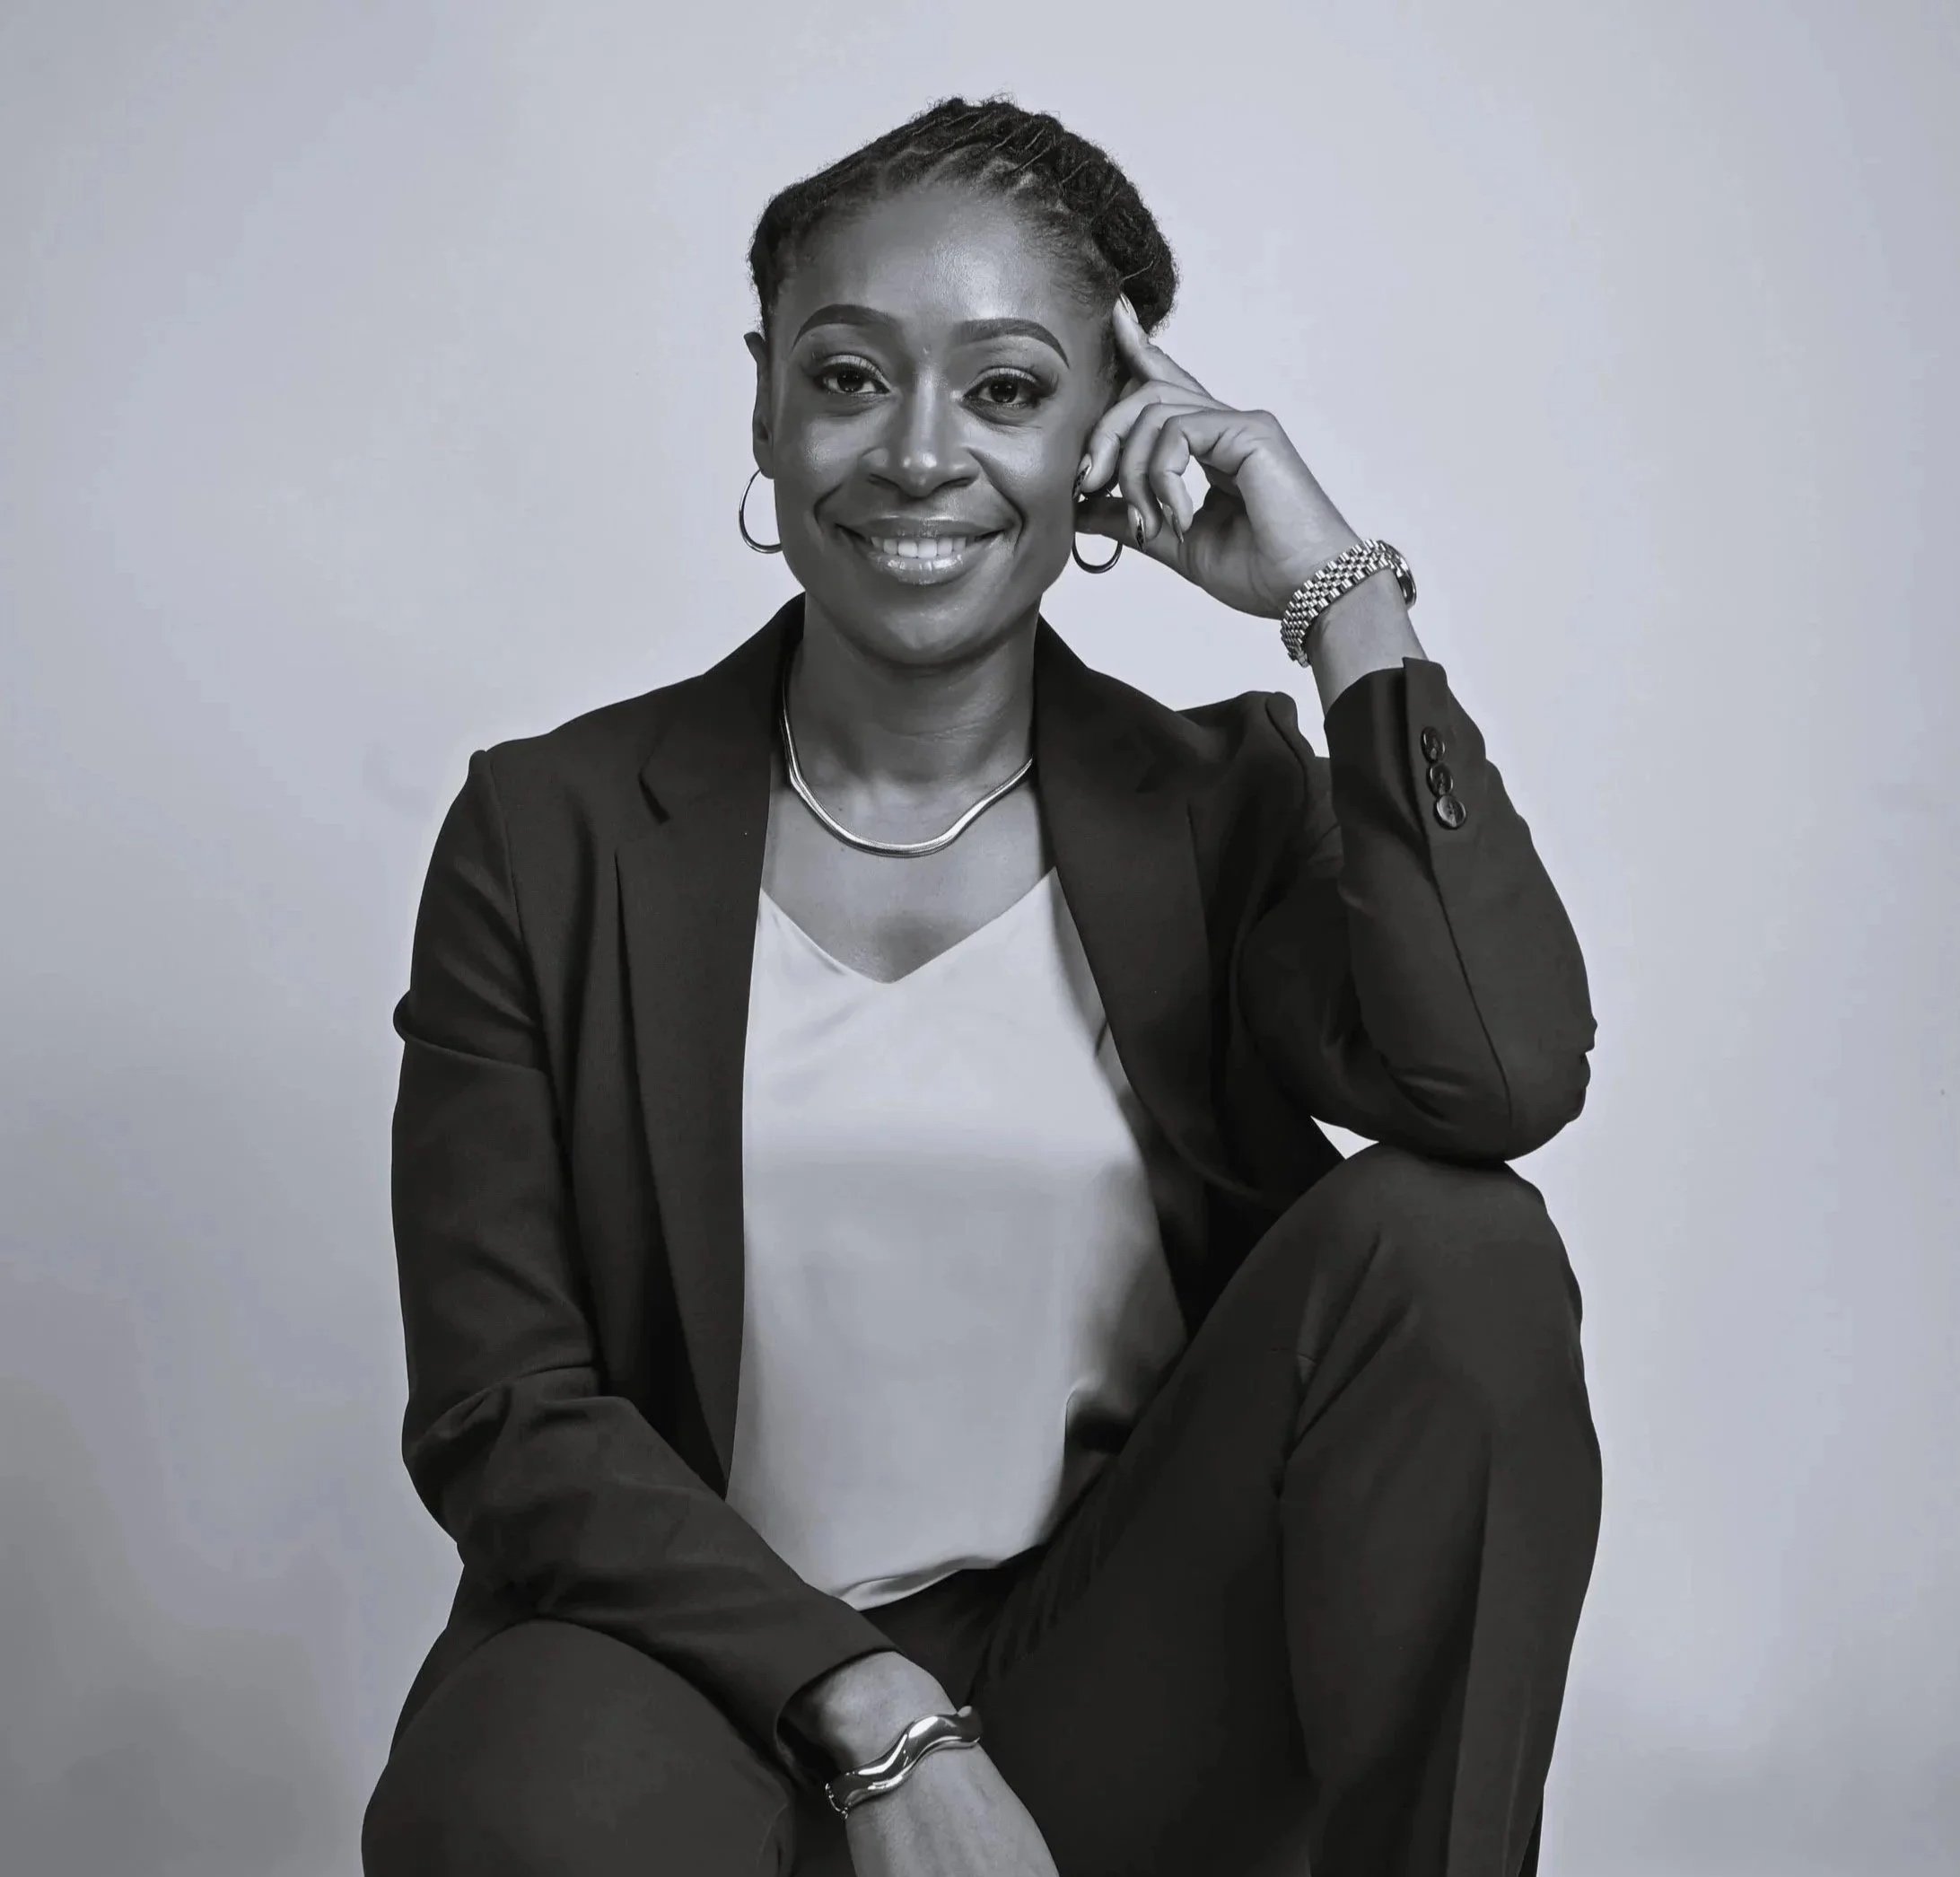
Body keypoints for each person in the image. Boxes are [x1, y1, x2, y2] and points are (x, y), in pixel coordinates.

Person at [360, 94, 1603, 1877]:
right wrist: (867, 1704)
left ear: (1104, 426)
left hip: (1124, 1666)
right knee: (512, 1794)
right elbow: (505, 1408)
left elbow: (1498, 1078)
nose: (917, 452)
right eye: (851, 376)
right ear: (766, 399)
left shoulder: (1213, 801)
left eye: (1008, 388)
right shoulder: (551, 831)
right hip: (704, 1679)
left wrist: (1341, 607)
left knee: (1457, 1246)